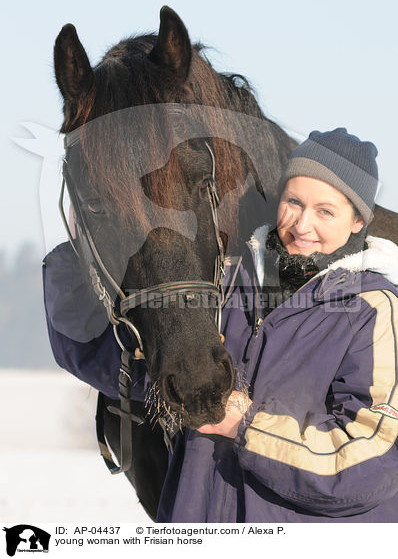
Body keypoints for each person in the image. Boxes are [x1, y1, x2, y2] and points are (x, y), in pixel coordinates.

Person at [43, 127, 398, 522]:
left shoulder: (374, 310)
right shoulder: (226, 286)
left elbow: (373, 463)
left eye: (325, 211)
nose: (301, 224)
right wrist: (74, 257)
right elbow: (132, 374)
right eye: (293, 202)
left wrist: (248, 428)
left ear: (358, 222)